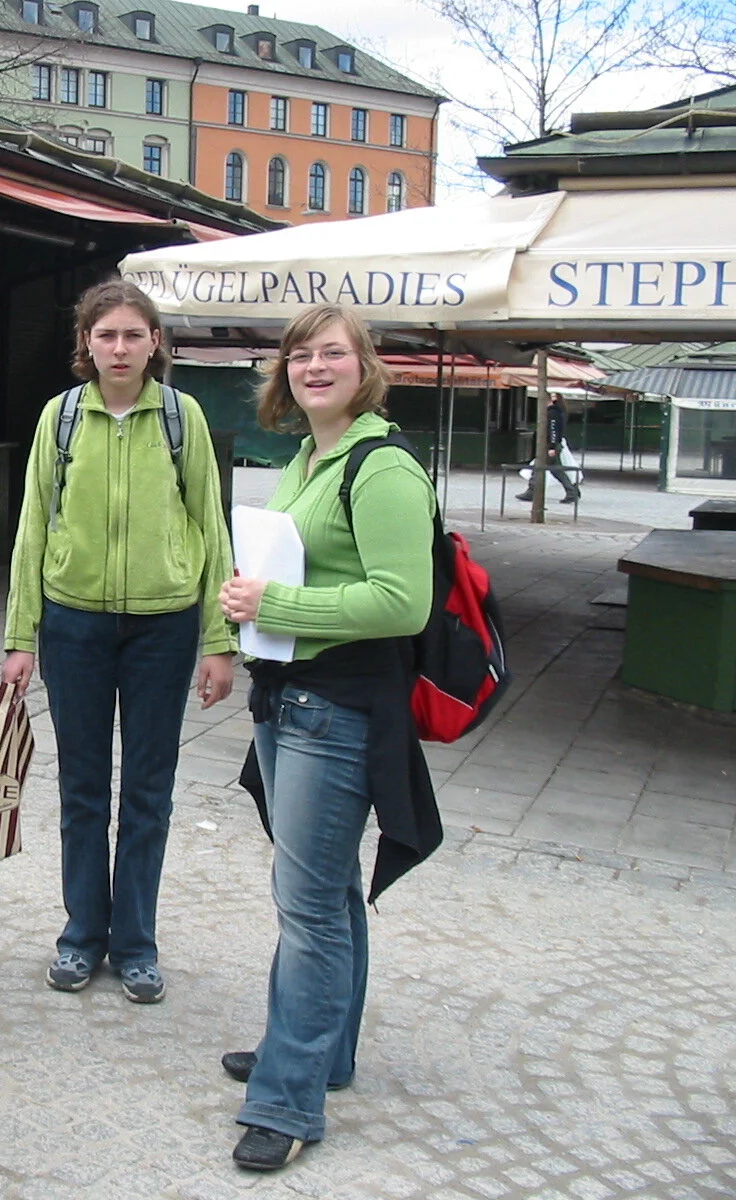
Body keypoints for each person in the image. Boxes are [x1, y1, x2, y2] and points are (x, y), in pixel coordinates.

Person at [216, 304, 439, 1172]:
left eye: (332, 354)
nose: (314, 367)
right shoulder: (312, 454)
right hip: (290, 697)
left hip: (337, 709)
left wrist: (277, 606)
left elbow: (402, 601)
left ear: (364, 365)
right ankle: (317, 1051)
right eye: (300, 355)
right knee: (331, 894)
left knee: (308, 907)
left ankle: (287, 1099)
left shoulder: (381, 466)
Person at [1, 278, 238, 1006]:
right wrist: (21, 634)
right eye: (107, 335)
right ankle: (81, 934)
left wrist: (218, 636)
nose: (121, 347)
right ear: (87, 344)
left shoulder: (181, 416)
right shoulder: (61, 417)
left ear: (156, 343)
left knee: (147, 791)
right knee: (81, 788)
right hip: (74, 624)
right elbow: (34, 523)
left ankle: (135, 943)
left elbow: (210, 520)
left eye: (135, 334)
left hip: (162, 628)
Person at [516, 393, 581, 504]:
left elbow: (553, 430)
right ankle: (571, 491)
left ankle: (533, 491)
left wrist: (551, 446)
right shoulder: (556, 412)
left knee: (549, 468)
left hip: (549, 445)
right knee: (553, 469)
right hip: (551, 445)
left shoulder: (552, 413)